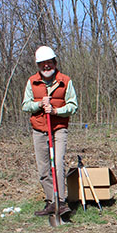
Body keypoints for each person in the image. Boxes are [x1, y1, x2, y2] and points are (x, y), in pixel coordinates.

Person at [22, 46, 78, 217]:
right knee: (44, 169)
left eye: (49, 63)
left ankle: (61, 202)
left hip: (58, 128)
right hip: (39, 129)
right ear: (38, 65)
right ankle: (50, 201)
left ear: (54, 62)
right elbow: (25, 105)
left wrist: (56, 111)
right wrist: (38, 104)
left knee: (58, 164)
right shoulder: (32, 82)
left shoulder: (65, 81)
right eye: (42, 64)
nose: (46, 67)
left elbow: (73, 106)